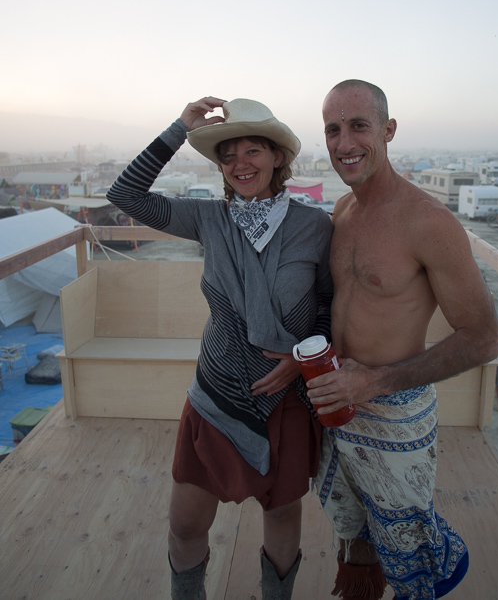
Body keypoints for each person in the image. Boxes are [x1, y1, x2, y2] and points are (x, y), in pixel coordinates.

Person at [106, 97, 333, 600]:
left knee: (280, 516)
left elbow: (326, 308)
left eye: (253, 150)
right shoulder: (208, 219)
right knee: (186, 525)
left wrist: (300, 364)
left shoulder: (315, 226)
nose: (240, 164)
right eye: (228, 156)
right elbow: (124, 193)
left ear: (278, 157)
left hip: (285, 399)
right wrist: (179, 128)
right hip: (215, 393)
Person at [306, 80, 498, 600]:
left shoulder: (428, 222)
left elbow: (484, 339)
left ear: (388, 131)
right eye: (332, 129)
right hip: (336, 401)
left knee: (411, 548)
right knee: (355, 535)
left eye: (359, 126)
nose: (344, 142)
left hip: (393, 409)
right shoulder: (343, 213)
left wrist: (376, 381)